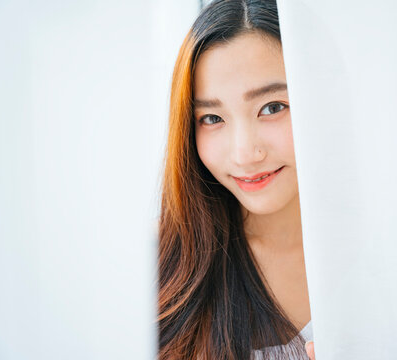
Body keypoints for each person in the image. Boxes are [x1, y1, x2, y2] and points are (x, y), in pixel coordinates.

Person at [156, 0, 316, 358]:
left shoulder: (391, 249)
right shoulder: (158, 269)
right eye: (212, 118)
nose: (244, 154)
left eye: (272, 107)